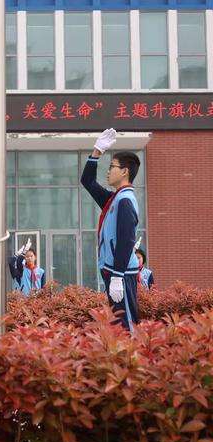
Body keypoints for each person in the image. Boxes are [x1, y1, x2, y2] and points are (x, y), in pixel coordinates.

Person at [81, 128, 141, 332]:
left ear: (125, 171)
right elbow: (87, 182)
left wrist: (117, 276)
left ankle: (133, 362)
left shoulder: (125, 201)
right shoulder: (114, 199)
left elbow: (126, 241)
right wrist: (96, 151)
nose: (108, 171)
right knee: (119, 325)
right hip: (115, 272)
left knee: (126, 326)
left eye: (112, 167)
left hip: (121, 274)